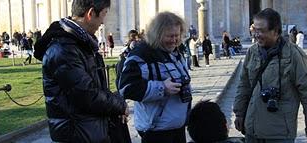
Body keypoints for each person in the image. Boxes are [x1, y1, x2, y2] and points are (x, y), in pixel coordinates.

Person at [33, 0, 129, 142]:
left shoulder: (82, 44)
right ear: (90, 14)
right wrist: (120, 105)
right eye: (103, 15)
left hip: (89, 131)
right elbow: (86, 94)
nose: (102, 22)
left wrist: (116, 106)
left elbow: (98, 87)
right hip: (77, 134)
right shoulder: (63, 49)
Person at [233, 8, 307, 143]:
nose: (256, 35)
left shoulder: (293, 55)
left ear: (275, 31)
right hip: (252, 130)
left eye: (261, 30)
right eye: (254, 30)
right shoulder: (252, 52)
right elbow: (243, 85)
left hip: (279, 133)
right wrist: (239, 113)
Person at [118, 12, 191, 143]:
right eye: (170, 36)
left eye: (177, 35)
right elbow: (126, 88)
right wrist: (162, 88)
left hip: (177, 128)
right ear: (157, 34)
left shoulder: (174, 53)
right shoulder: (142, 54)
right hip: (156, 131)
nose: (175, 40)